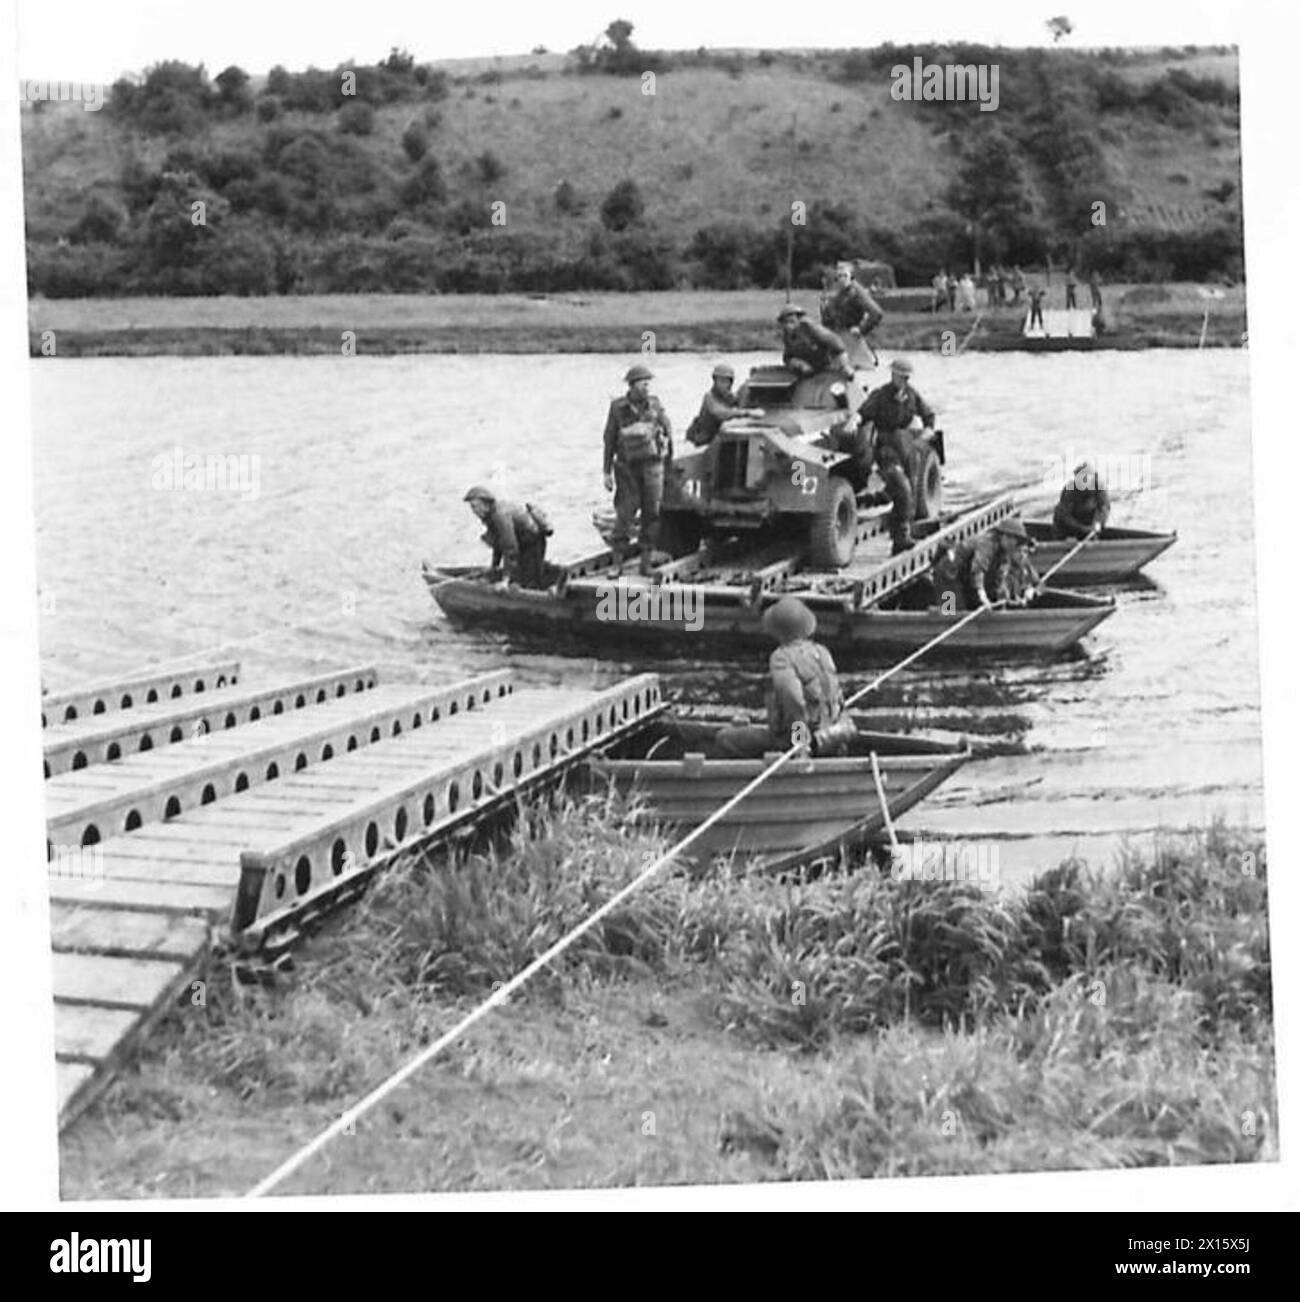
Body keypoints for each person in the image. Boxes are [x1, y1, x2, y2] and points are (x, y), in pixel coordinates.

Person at [712, 596, 857, 759]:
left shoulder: (781, 658)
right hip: (833, 734)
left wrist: (800, 744)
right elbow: (836, 697)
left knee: (724, 738)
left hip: (799, 740)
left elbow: (793, 701)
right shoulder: (822, 651)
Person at [856, 357, 936, 554]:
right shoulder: (880, 395)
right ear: (893, 376)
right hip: (887, 449)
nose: (905, 382)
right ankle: (900, 537)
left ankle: (903, 532)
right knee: (903, 488)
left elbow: (928, 415)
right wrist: (853, 423)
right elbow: (862, 414)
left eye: (908, 378)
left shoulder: (911, 395)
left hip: (906, 447)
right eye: (902, 377)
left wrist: (927, 432)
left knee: (911, 492)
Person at [602, 363, 673, 572]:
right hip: (626, 468)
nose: (646, 387)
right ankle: (616, 563)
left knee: (652, 513)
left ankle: (645, 562)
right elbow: (609, 439)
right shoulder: (618, 408)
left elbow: (667, 432)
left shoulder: (655, 405)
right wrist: (606, 471)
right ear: (632, 386)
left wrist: (669, 466)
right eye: (643, 383)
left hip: (652, 466)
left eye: (648, 384)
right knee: (625, 514)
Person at [936, 518, 1039, 611]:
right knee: (951, 610)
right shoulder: (987, 544)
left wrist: (1002, 600)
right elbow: (978, 570)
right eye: (1014, 540)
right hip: (948, 573)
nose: (1015, 544)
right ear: (1004, 536)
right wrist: (982, 596)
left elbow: (999, 577)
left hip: (964, 574)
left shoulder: (1004, 552)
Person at [463, 485, 551, 589]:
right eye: (472, 507)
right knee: (519, 577)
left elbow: (510, 547)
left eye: (475, 506)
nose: (474, 511)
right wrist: (494, 566)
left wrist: (505, 580)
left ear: (485, 504)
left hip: (533, 543)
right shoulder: (490, 515)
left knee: (529, 582)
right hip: (522, 543)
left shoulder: (500, 516)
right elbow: (498, 543)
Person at [686, 363, 750, 446]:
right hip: (701, 440)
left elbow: (740, 402)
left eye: (726, 382)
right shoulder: (709, 397)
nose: (723, 385)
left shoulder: (730, 398)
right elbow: (720, 413)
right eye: (721, 381)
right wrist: (746, 412)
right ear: (715, 382)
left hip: (718, 439)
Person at [778, 304, 849, 377]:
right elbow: (788, 357)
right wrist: (801, 365)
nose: (788, 326)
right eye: (785, 322)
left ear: (799, 320)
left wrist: (844, 365)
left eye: (791, 321)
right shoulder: (787, 336)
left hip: (826, 364)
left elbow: (837, 344)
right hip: (808, 367)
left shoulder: (812, 329)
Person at [820, 261, 885, 341]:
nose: (842, 279)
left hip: (852, 338)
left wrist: (861, 329)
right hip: (838, 336)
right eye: (839, 276)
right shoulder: (837, 293)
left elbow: (876, 313)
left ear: (851, 276)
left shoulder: (857, 292)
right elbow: (828, 316)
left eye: (845, 275)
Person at [1052, 461, 1111, 539]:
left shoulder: (1099, 488)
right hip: (1070, 529)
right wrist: (1083, 529)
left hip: (1089, 525)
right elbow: (1063, 516)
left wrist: (1097, 523)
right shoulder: (1070, 489)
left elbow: (1104, 508)